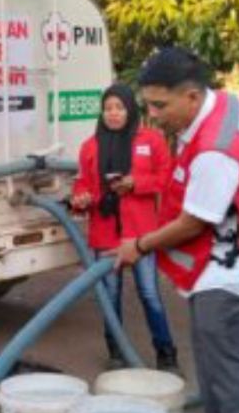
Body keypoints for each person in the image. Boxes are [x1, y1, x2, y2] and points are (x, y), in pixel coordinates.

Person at [113, 47, 239, 413]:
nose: (153, 115)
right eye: (148, 106)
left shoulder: (215, 150)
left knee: (225, 370)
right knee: (217, 362)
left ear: (192, 96)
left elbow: (193, 223)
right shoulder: (224, 104)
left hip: (230, 271)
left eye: (160, 106)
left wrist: (139, 245)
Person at [71, 84, 179, 371]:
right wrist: (80, 198)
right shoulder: (90, 146)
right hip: (104, 233)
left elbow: (167, 177)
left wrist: (136, 183)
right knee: (110, 296)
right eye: (108, 108)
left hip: (142, 233)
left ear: (130, 109)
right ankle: (116, 352)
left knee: (149, 293)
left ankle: (166, 354)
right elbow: (83, 184)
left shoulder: (152, 140)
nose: (114, 114)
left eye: (119, 108)